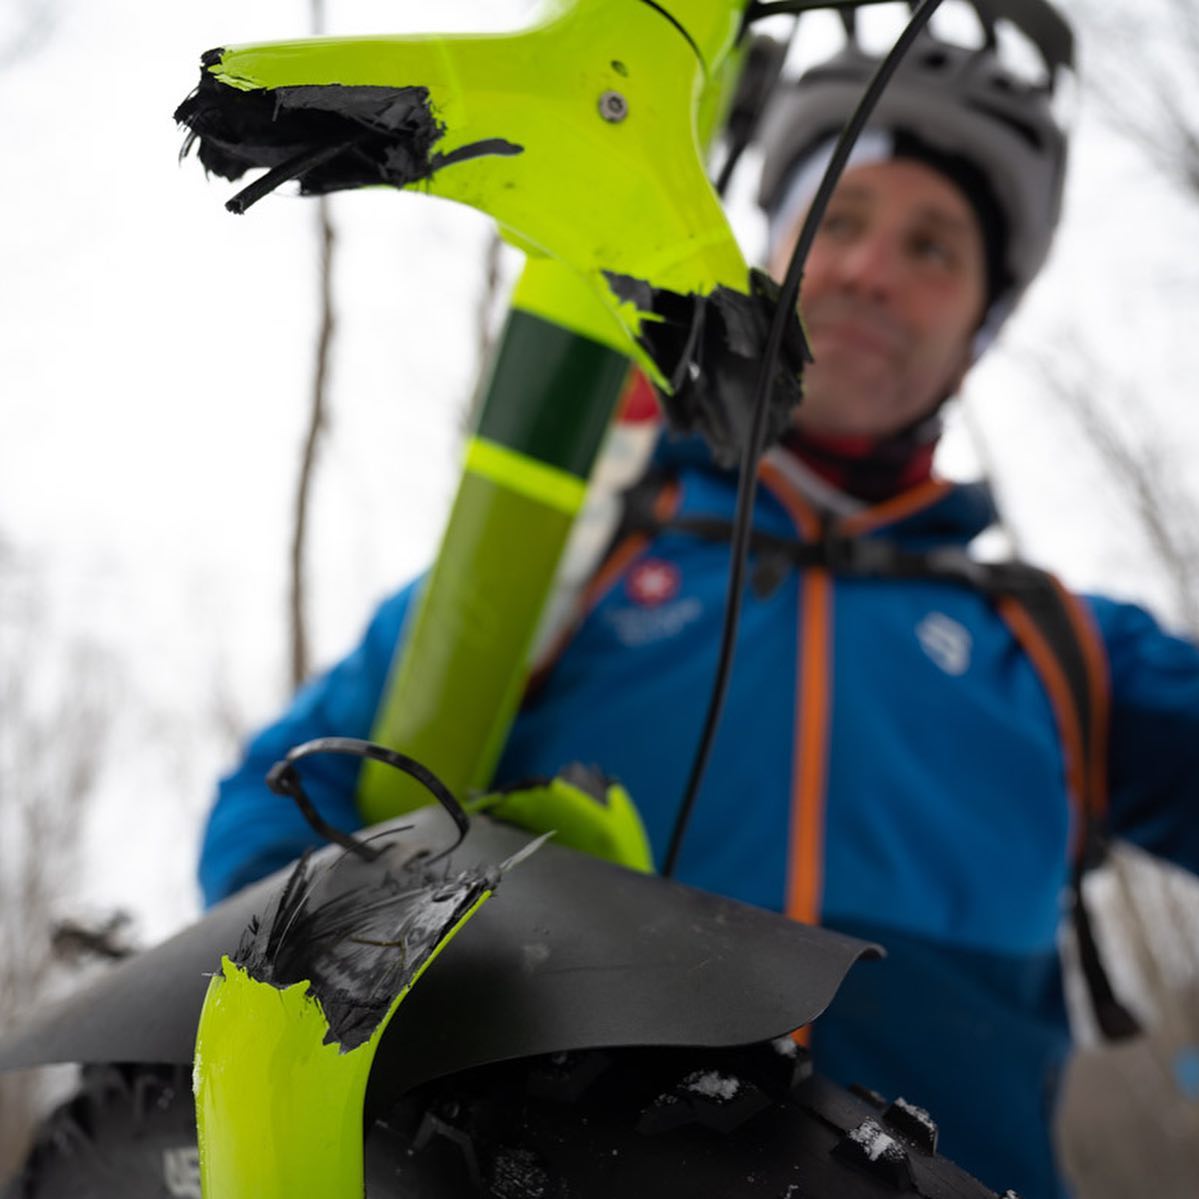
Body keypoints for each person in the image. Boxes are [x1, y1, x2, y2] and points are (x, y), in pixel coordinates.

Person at [198, 14, 1199, 1198]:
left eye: (932, 248)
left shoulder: (1063, 651)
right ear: (768, 254)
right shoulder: (567, 566)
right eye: (842, 221)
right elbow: (272, 813)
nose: (870, 270)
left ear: (978, 331)